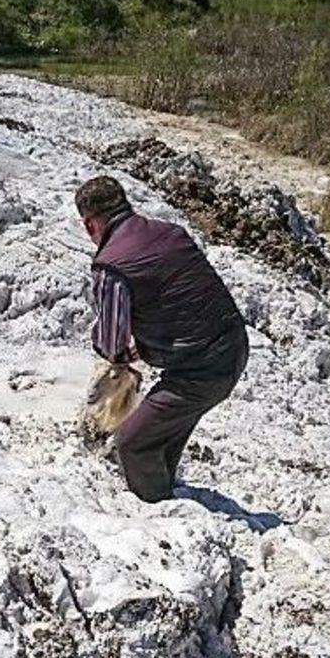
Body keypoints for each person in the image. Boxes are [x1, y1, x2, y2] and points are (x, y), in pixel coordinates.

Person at [76, 175, 249, 503]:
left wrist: (115, 351)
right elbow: (182, 303)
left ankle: (156, 509)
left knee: (133, 443)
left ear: (89, 225)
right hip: (233, 347)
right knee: (163, 436)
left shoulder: (111, 264)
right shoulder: (170, 232)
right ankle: (166, 491)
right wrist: (143, 346)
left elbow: (111, 343)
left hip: (200, 372)